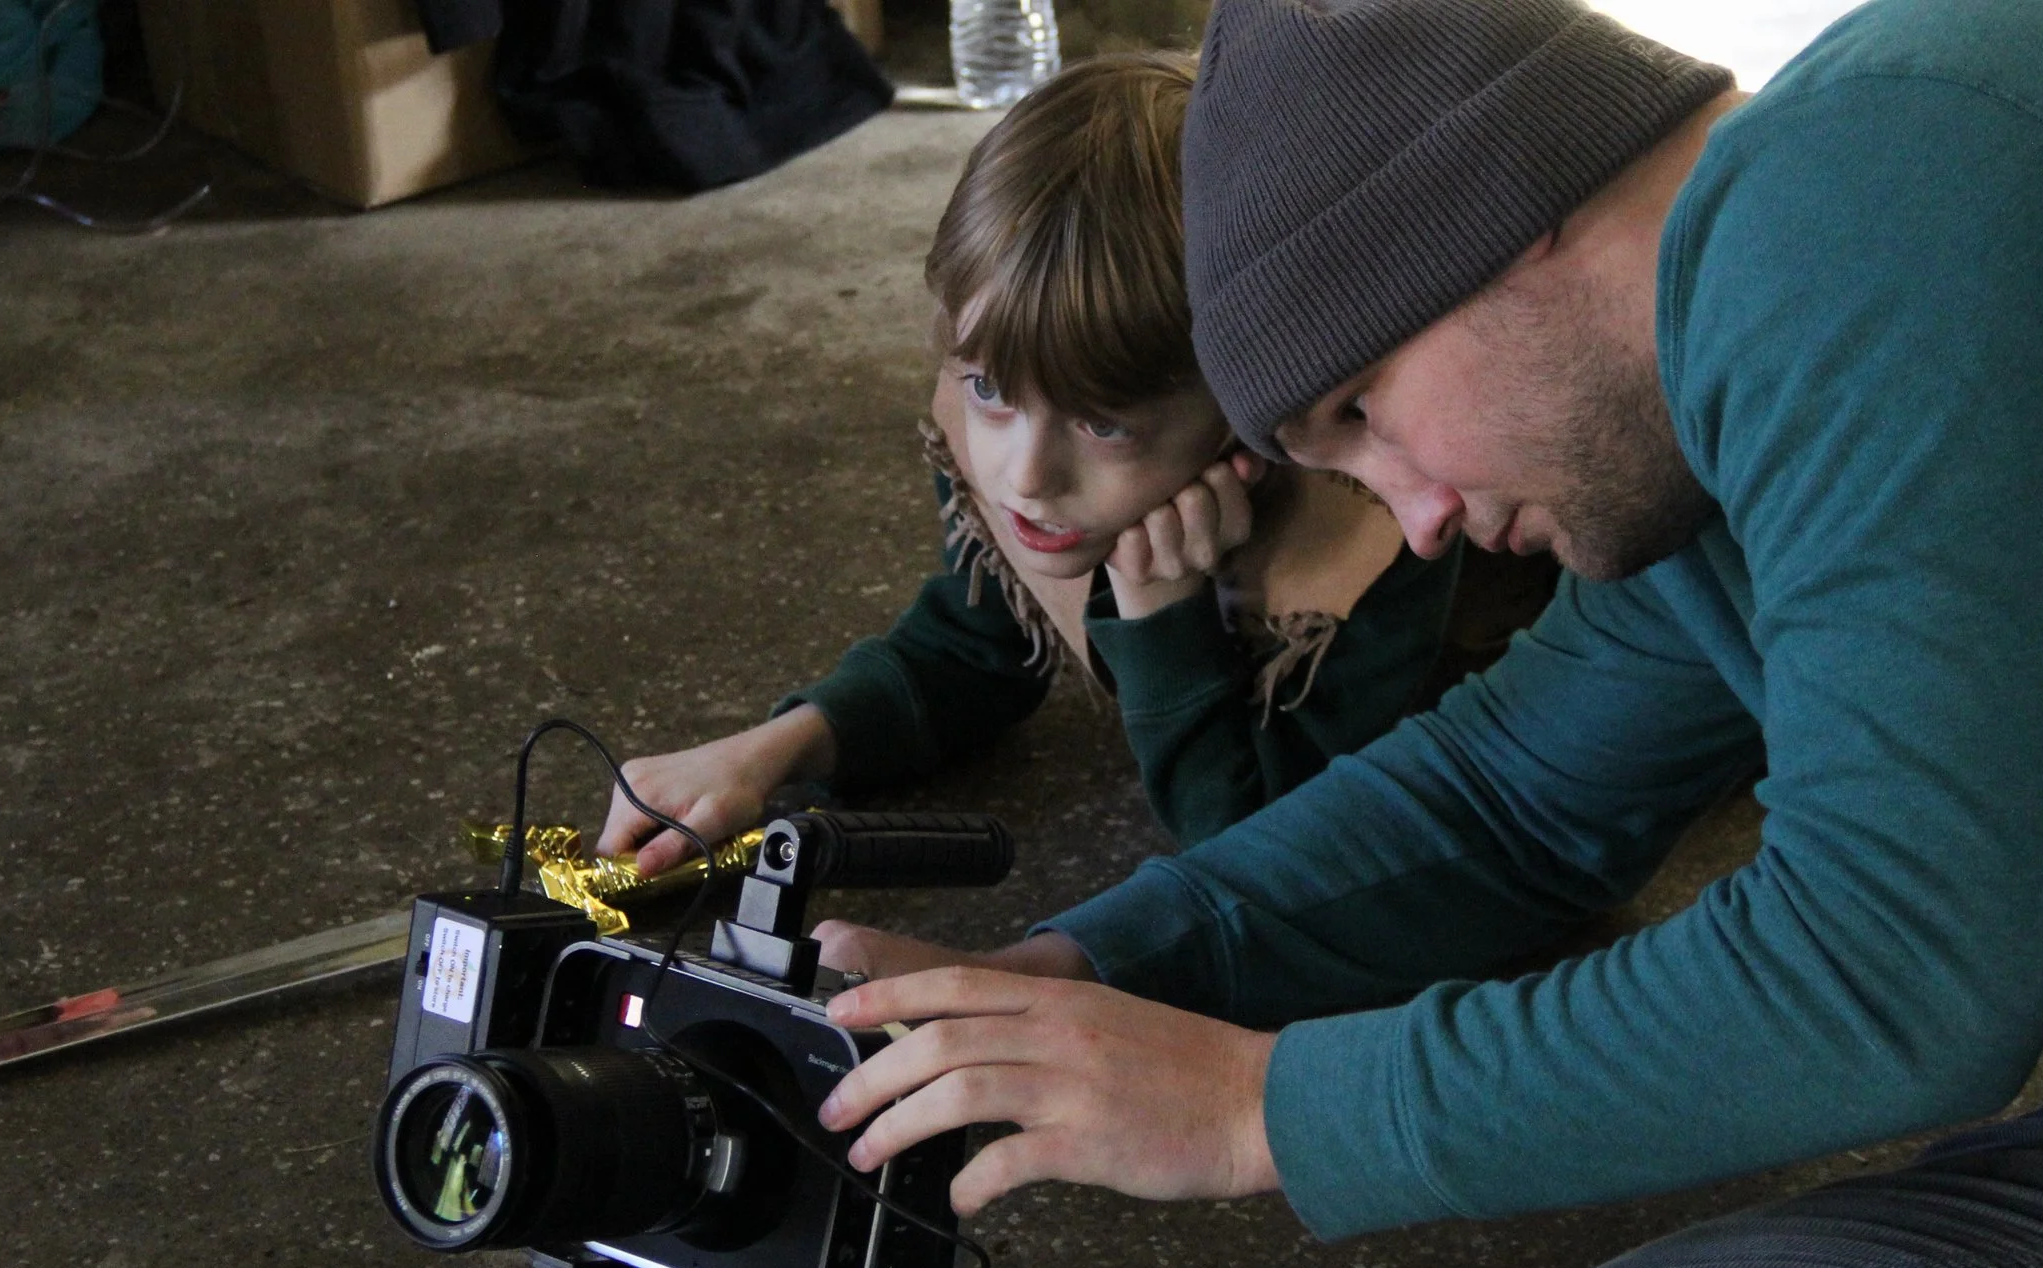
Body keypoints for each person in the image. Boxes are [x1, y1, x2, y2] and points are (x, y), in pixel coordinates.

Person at [798, 0, 2043, 1268]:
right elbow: (1505, 798)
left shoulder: (1877, 173)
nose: (1415, 514)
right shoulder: (1715, 450)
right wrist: (1068, 976)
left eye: (1365, 409)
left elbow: (1891, 972)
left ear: (1510, 219)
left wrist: (1257, 1106)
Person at [597, 52, 1550, 873]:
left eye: (1105, 426)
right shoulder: (1005, 416)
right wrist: (769, 754)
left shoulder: (1379, 531)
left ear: (1249, 408)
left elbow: (1272, 852)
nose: (1023, 475)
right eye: (988, 391)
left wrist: (1165, 619)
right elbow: (981, 646)